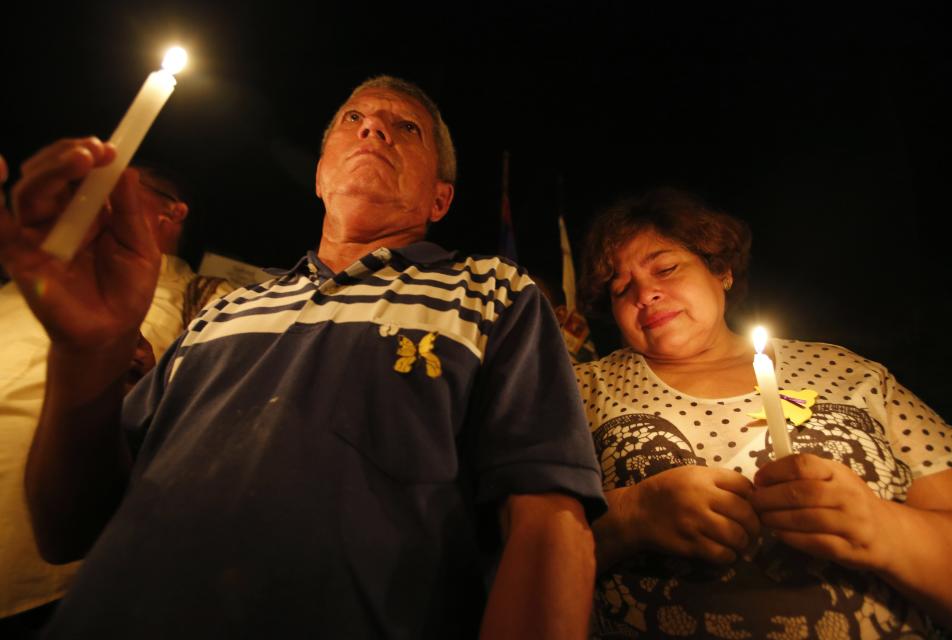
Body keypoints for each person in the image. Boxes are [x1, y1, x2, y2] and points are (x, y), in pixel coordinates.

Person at [0, 76, 605, 638]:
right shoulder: (222, 313)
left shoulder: (492, 293)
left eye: (406, 128)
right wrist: (88, 354)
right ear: (319, 176)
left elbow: (547, 522)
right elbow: (68, 528)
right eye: (354, 117)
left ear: (440, 198)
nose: (373, 129)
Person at [574, 187, 952, 638]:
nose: (646, 294)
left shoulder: (852, 374)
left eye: (666, 268)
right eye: (622, 289)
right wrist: (633, 516)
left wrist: (878, 526)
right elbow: (513, 557)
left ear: (721, 271)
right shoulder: (581, 389)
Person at [0, 163, 230, 634]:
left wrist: (141, 375)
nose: (87, 197)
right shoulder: (18, 288)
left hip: (58, 579)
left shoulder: (207, 296)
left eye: (113, 187)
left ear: (172, 212)